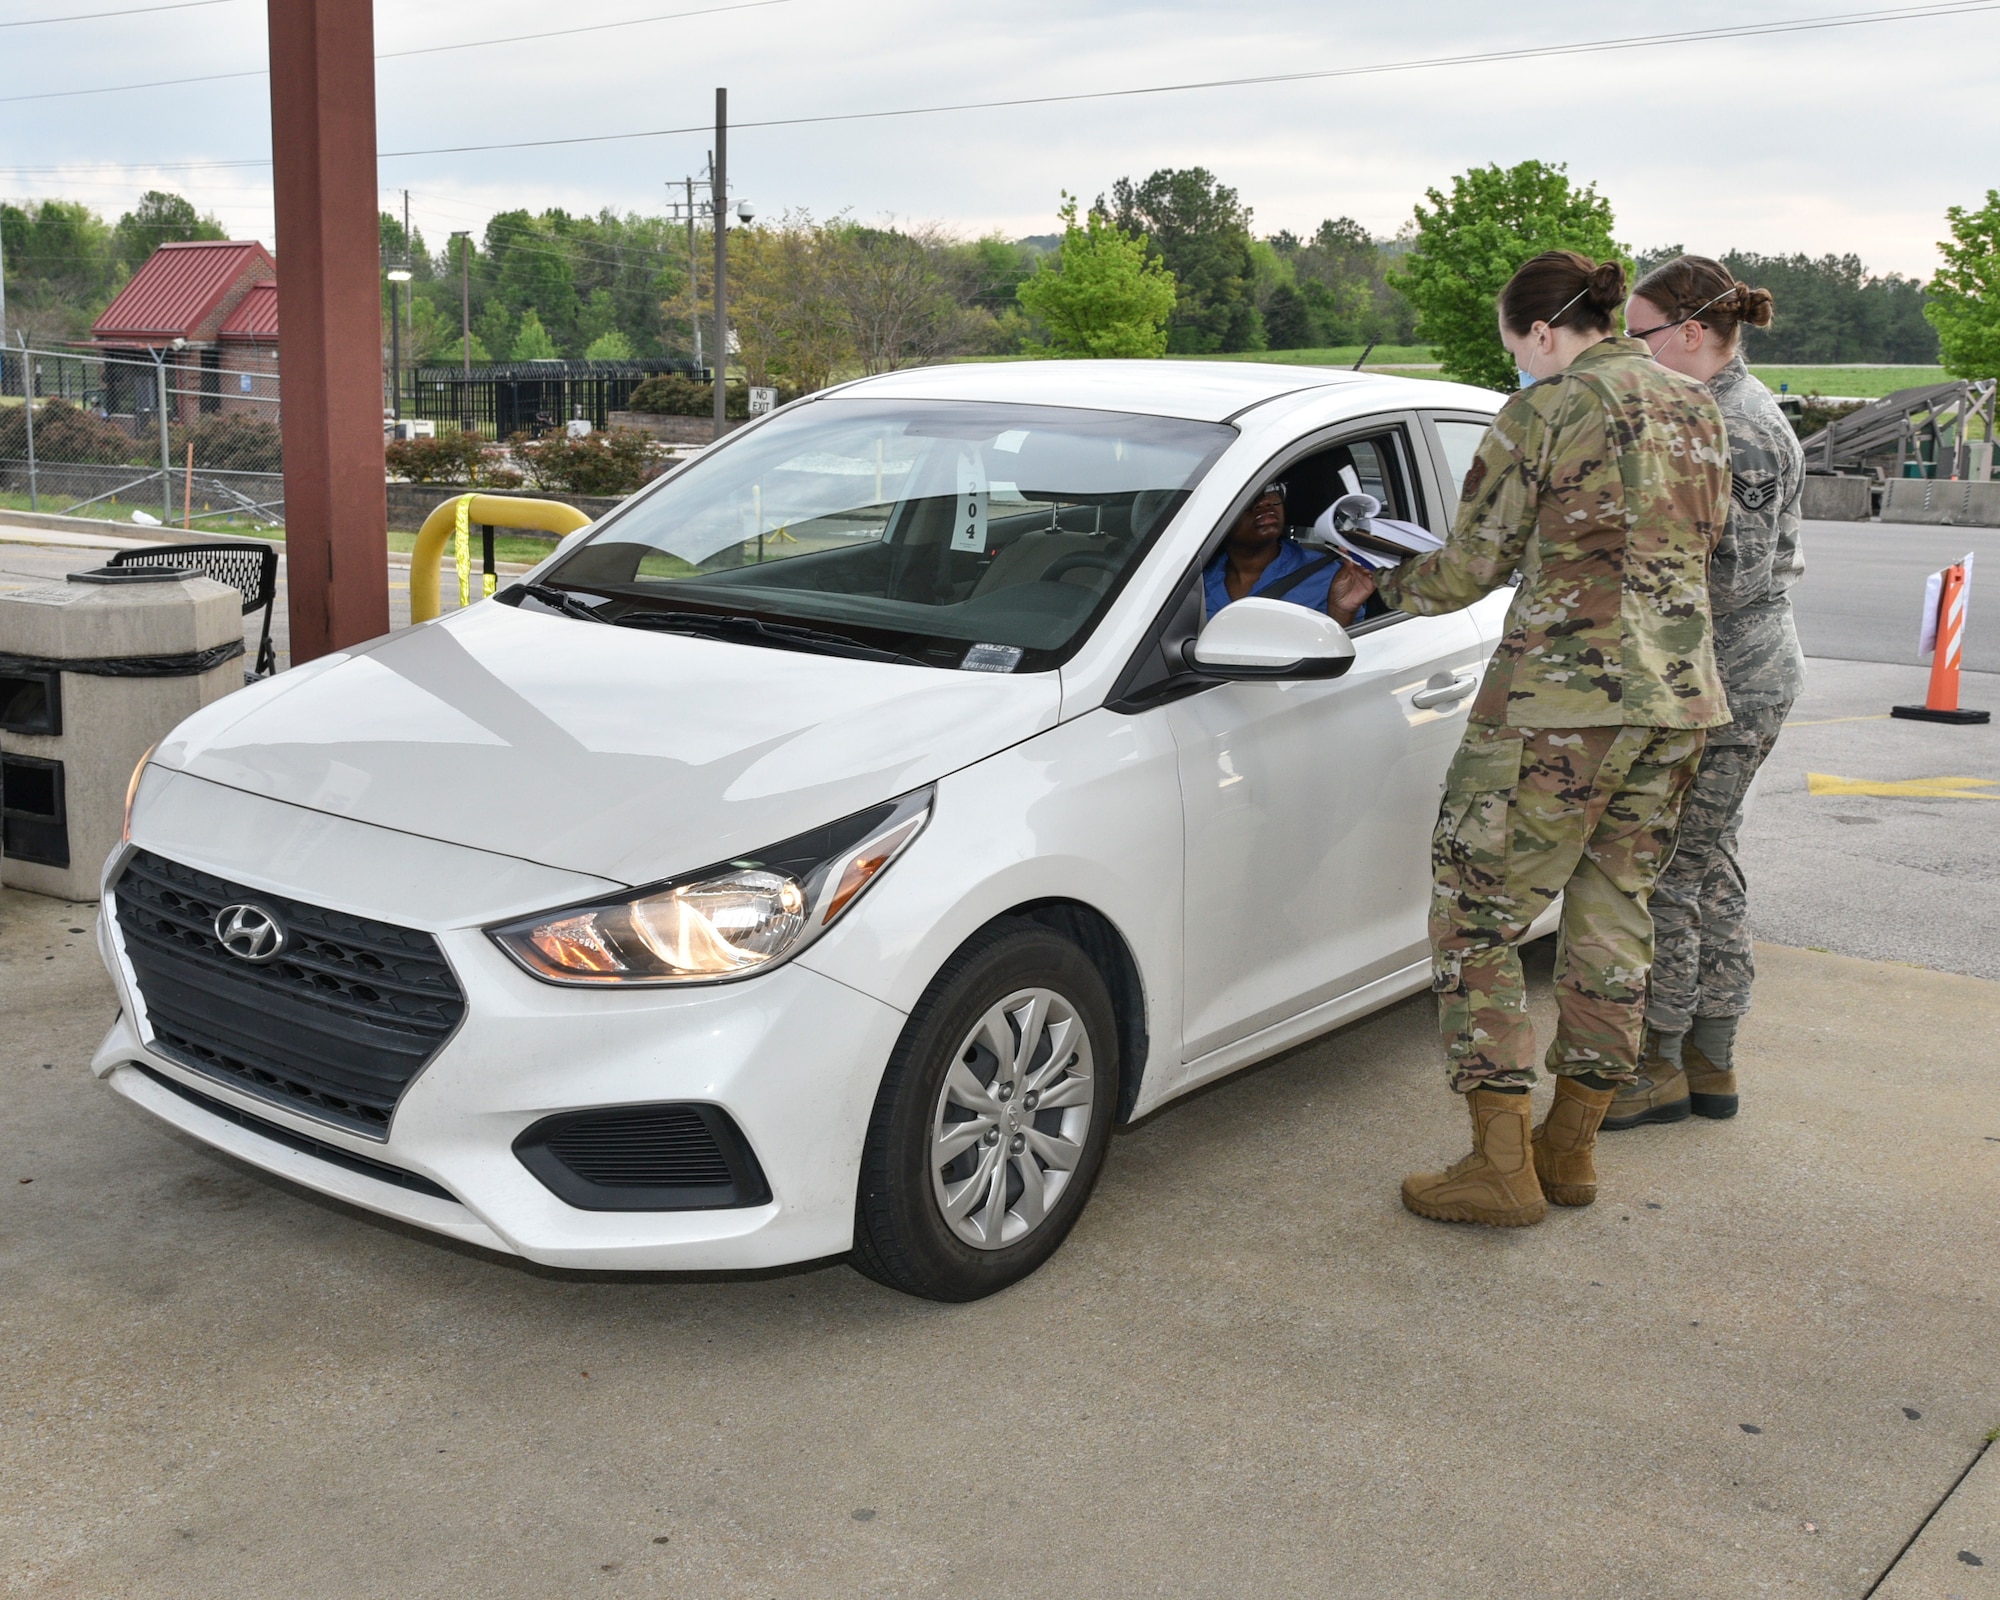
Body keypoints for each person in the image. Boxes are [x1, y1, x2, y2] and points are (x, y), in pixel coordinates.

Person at [1352, 250, 1734, 1227]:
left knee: (1473, 919)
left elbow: (1467, 565)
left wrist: (1376, 583)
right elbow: (1707, 546)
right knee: (1612, 917)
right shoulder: (1696, 407)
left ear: (1537, 332)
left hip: (1559, 709)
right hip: (1676, 703)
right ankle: (1568, 1152)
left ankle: (1497, 1163)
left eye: (1513, 344)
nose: (1518, 361)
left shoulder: (1544, 409)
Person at [1603, 257, 1804, 1131]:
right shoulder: (1702, 414)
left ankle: (1660, 1064)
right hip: (1710, 676)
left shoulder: (1740, 429)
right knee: (1709, 860)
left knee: (1673, 870)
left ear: (1690, 334)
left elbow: (1730, 579)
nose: (1629, 350)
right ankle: (1710, 1061)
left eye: (1638, 334)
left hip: (1726, 680)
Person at [1204, 482, 1374, 627]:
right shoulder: (1193, 576)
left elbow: (1345, 654)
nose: (1264, 502)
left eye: (1272, 488)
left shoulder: (1330, 577)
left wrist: (1341, 611)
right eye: (1244, 493)